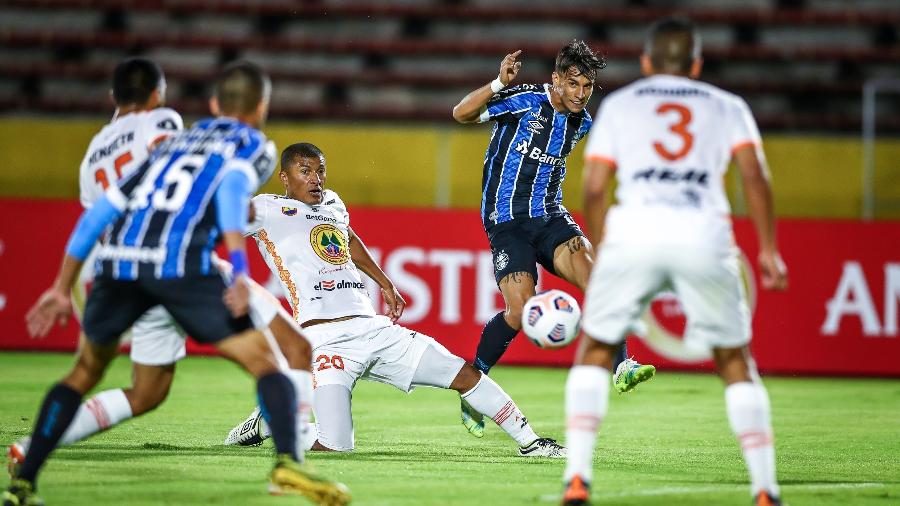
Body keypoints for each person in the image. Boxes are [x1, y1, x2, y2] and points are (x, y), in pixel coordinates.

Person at [3, 62, 349, 506]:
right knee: (278, 358)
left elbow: (102, 210)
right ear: (261, 106)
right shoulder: (250, 144)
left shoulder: (173, 142)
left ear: (214, 104)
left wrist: (60, 286)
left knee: (96, 375)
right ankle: (288, 464)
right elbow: (231, 194)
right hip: (180, 263)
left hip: (119, 265)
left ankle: (24, 481)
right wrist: (238, 271)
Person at [561, 18, 788, 506]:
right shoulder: (728, 106)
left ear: (646, 62)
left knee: (596, 349)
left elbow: (595, 187)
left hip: (634, 232)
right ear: (696, 65)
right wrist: (768, 249)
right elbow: (755, 175)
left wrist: (602, 248)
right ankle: (766, 489)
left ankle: (577, 478)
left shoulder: (621, 105)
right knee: (734, 360)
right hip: (703, 234)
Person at [224, 142, 566, 458]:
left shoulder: (333, 203)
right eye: (305, 171)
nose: (316, 179)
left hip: (373, 328)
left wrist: (385, 283)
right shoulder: (266, 209)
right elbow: (221, 217)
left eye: (320, 170)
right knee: (335, 445)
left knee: (463, 373)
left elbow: (348, 239)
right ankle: (271, 422)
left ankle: (531, 442)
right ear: (284, 177)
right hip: (323, 340)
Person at [451, 41, 656, 436]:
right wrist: (498, 83)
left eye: (588, 86)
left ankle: (622, 365)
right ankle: (473, 389)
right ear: (556, 79)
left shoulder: (582, 123)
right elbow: (461, 114)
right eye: (573, 84)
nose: (581, 94)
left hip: (550, 217)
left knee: (600, 281)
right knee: (519, 312)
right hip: (507, 220)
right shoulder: (526, 101)